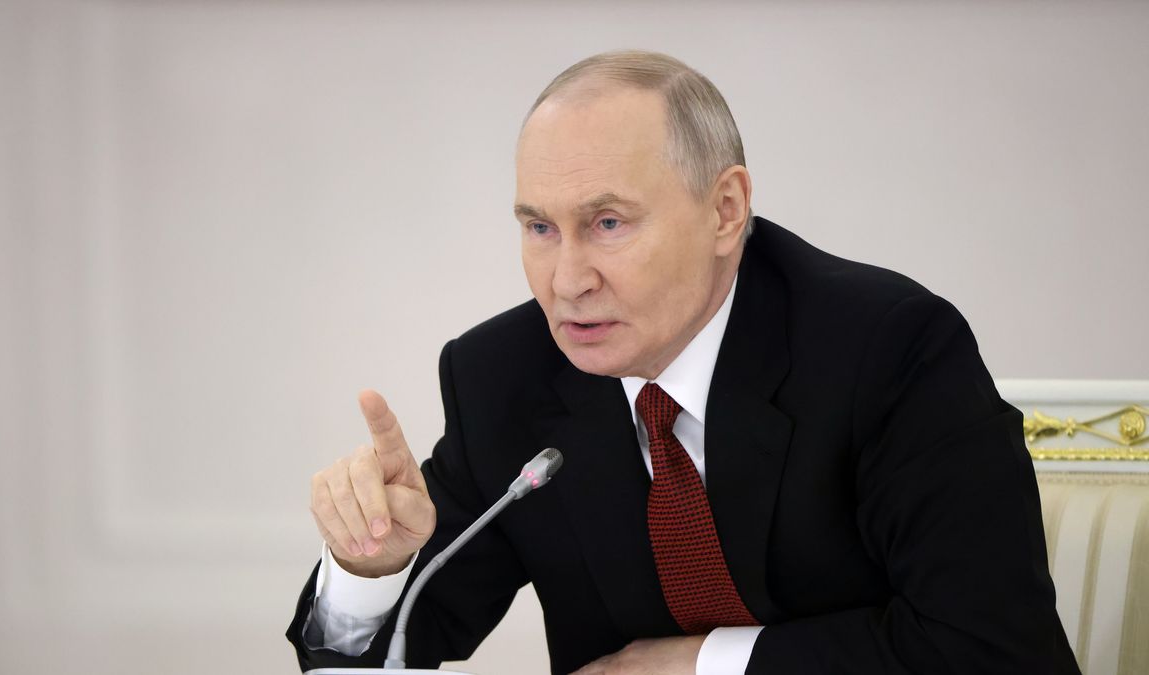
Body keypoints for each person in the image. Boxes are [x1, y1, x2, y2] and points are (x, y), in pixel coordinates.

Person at [286, 50, 1080, 675]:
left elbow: (994, 651)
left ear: (725, 210)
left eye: (607, 223)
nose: (567, 280)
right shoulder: (505, 377)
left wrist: (705, 665)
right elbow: (389, 650)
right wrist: (371, 570)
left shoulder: (889, 349)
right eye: (539, 228)